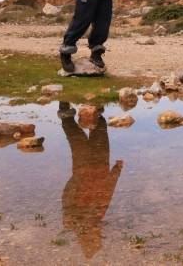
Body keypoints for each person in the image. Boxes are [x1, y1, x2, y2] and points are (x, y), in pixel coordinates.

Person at [58, 102, 123, 259]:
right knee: (95, 126)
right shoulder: (93, 217)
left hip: (86, 167)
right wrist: (116, 171)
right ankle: (93, 107)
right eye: (98, 237)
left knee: (75, 131)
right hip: (95, 165)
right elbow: (107, 192)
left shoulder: (73, 220)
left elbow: (67, 197)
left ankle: (68, 105)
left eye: (96, 238)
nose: (99, 234)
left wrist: (116, 171)